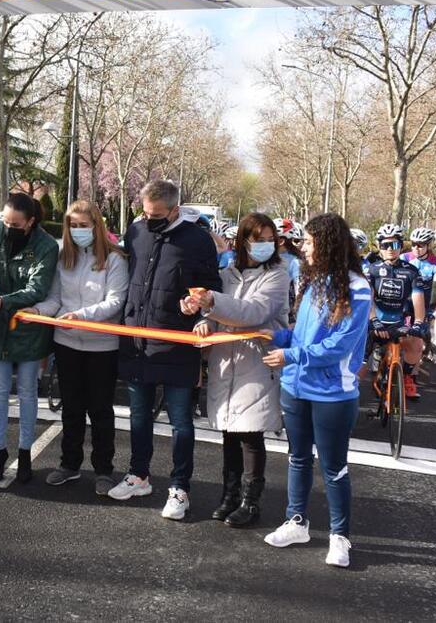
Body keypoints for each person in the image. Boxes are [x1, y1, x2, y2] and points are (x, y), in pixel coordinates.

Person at [261, 213, 372, 568]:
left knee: (333, 466)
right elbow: (302, 334)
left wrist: (290, 354)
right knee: (297, 457)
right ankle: (297, 522)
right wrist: (274, 336)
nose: (303, 247)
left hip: (333, 394)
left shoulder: (357, 287)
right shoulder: (313, 283)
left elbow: (341, 345)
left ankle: (340, 537)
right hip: (296, 387)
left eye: (309, 241)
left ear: (328, 243)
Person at [108, 179, 222, 520]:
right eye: (144, 213)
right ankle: (138, 474)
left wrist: (199, 307)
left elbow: (211, 286)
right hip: (137, 341)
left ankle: (180, 488)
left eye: (156, 214)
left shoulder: (198, 240)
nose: (149, 219)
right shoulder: (137, 231)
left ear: (175, 210)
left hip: (177, 342)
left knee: (180, 422)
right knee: (138, 416)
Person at [184, 213, 289, 527]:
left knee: (250, 433)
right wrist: (203, 320)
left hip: (257, 361)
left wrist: (211, 301)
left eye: (271, 239)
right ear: (244, 241)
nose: (266, 246)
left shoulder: (278, 275)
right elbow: (216, 316)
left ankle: (250, 500)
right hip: (227, 360)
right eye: (259, 240)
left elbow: (254, 312)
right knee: (229, 431)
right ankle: (229, 495)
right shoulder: (227, 273)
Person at [30, 200, 128, 496]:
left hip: (102, 346)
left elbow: (115, 302)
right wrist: (37, 310)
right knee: (71, 408)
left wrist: (80, 316)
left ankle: (103, 470)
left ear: (97, 226)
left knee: (100, 410)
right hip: (67, 343)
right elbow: (55, 298)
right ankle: (69, 465)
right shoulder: (63, 258)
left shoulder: (115, 260)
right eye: (73, 225)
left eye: (84, 225)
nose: (78, 231)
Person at [0, 192, 58, 485]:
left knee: (28, 392)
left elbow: (37, 289)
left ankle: (25, 453)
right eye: (5, 222)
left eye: (15, 224)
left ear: (31, 222)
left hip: (28, 329)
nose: (8, 228)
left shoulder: (46, 246)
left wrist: (1, 301)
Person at [367, 224, 427, 400]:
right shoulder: (372, 270)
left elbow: (418, 299)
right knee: (360, 362)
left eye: (394, 245)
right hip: (376, 321)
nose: (389, 249)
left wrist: (418, 323)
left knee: (416, 344)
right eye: (385, 245)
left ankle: (406, 376)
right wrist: (373, 320)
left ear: (401, 246)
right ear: (379, 247)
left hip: (398, 324)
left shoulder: (411, 271)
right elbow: (368, 298)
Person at [402, 227, 436, 316]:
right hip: (405, 299)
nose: (416, 248)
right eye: (414, 244)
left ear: (428, 246)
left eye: (420, 245)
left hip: (424, 300)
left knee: (421, 327)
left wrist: (430, 309)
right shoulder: (404, 258)